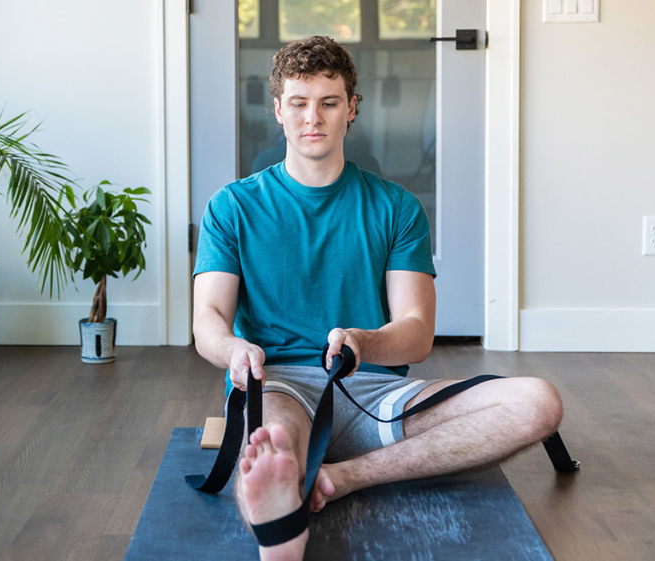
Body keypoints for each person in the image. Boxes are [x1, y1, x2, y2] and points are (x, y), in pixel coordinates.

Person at [192, 36, 563, 561]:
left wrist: (364, 340)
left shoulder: (397, 207)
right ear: (279, 110)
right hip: (281, 384)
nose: (312, 117)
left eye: (329, 101)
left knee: (537, 401)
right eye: (298, 103)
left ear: (351, 108)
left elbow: (416, 332)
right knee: (271, 443)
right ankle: (281, 533)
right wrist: (232, 350)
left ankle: (341, 478)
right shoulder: (231, 207)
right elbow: (207, 318)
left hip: (374, 394)